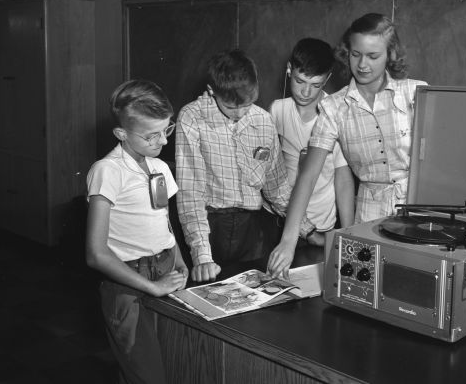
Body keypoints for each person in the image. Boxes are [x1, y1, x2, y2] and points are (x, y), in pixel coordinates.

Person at [268, 13, 428, 277]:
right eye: (355, 54)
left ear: (390, 55)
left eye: (373, 56)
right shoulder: (332, 108)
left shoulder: (417, 92)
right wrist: (288, 240)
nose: (362, 64)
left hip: (418, 215)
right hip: (368, 220)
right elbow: (307, 176)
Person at [176, 49, 314, 283]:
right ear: (212, 91)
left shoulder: (263, 120)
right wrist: (202, 257)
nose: (240, 113)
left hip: (252, 230)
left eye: (247, 104)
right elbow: (191, 194)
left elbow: (277, 188)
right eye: (231, 107)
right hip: (209, 227)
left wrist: (308, 230)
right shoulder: (192, 118)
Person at [86, 79, 188, 384]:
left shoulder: (160, 168)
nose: (164, 142)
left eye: (167, 130)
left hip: (166, 270)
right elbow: (95, 254)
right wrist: (151, 287)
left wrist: (180, 260)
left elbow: (164, 221)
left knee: (170, 362)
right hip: (128, 285)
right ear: (121, 133)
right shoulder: (108, 171)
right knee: (146, 375)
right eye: (152, 135)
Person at [269, 37, 355, 251]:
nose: (305, 92)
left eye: (315, 84)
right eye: (300, 81)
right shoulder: (277, 110)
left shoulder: (336, 113)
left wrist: (350, 234)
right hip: (277, 224)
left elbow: (343, 179)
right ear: (289, 70)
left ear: (327, 79)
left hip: (321, 228)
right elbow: (268, 173)